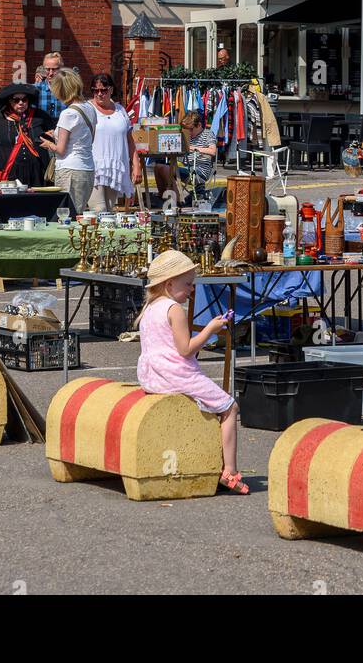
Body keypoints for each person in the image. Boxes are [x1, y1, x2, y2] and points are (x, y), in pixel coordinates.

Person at [136, 249, 248, 494]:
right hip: (176, 373)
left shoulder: (150, 307)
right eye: (187, 284)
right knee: (230, 407)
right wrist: (210, 329)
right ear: (169, 283)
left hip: (151, 375)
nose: (191, 289)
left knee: (205, 406)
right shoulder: (173, 308)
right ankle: (229, 469)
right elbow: (185, 349)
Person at [0, 83, 54, 186]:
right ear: (9, 101)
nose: (21, 103)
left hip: (37, 170)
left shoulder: (40, 116)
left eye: (24, 99)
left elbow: (54, 132)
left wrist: (51, 136)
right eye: (16, 100)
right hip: (11, 171)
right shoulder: (0, 119)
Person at [41, 68, 96, 213]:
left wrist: (49, 144)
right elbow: (86, 138)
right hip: (87, 168)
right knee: (79, 211)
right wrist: (56, 135)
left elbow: (60, 150)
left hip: (70, 169)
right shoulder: (90, 108)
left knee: (67, 214)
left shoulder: (68, 113)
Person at [88, 72, 142, 210]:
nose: (99, 94)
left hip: (116, 168)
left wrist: (136, 165)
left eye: (103, 90)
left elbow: (130, 140)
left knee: (110, 210)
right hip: (94, 167)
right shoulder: (88, 109)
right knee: (99, 210)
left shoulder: (120, 110)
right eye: (95, 90)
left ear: (111, 89)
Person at [154, 109, 217, 202]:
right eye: (187, 130)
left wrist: (192, 147)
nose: (189, 132)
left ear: (199, 125)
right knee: (157, 167)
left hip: (199, 172)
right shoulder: (187, 136)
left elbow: (213, 151)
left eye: (191, 129)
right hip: (187, 166)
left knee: (166, 169)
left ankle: (178, 200)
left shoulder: (208, 134)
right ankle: (162, 195)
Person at [34, 51, 64, 123]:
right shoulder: (36, 89)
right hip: (42, 132)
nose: (50, 73)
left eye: (54, 69)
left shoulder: (68, 90)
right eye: (48, 69)